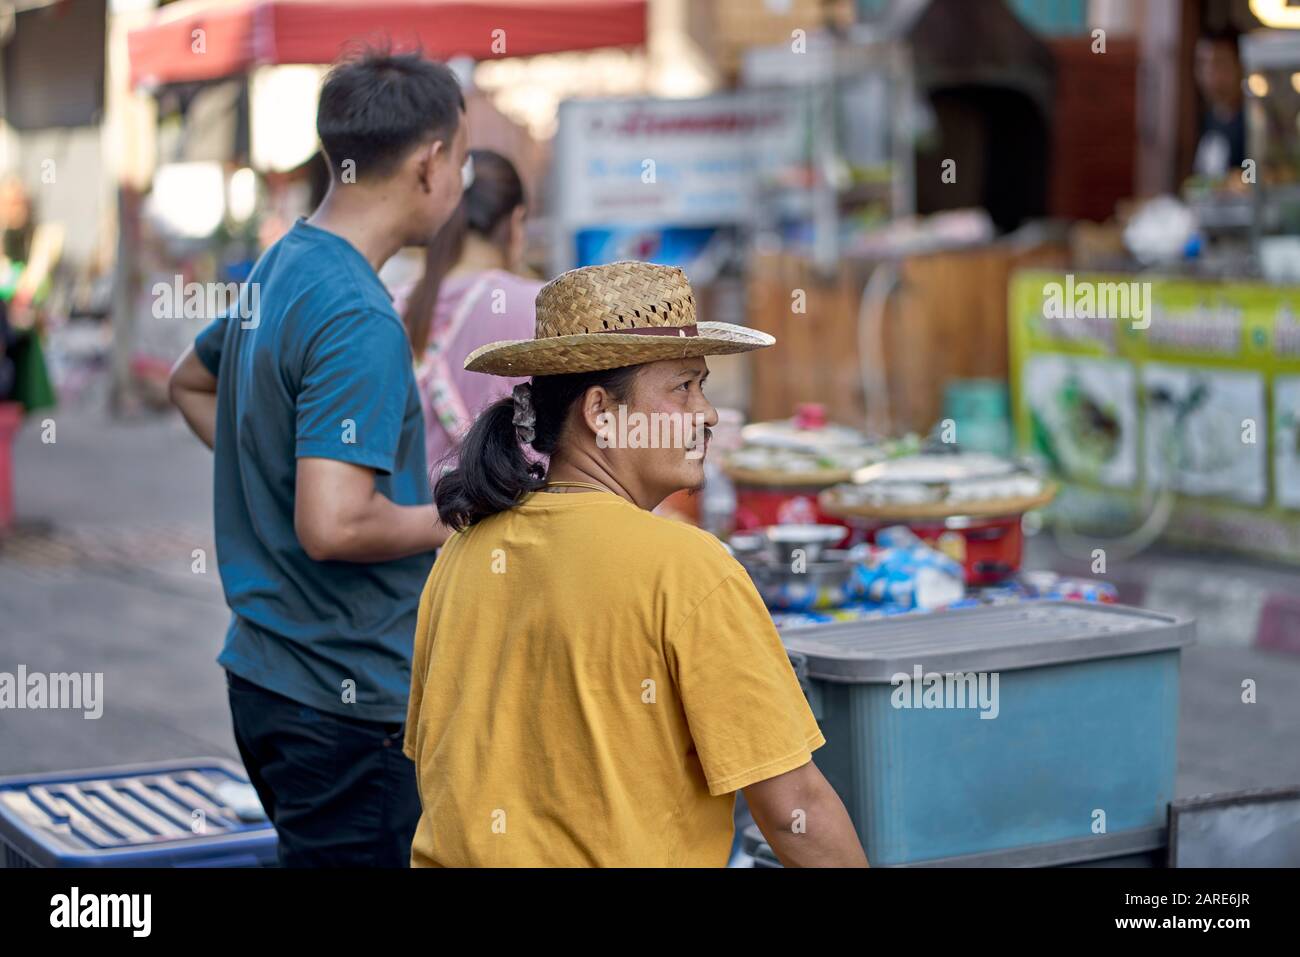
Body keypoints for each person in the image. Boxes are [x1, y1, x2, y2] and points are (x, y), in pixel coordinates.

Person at [404, 260, 868, 867]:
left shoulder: (461, 554)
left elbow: (437, 766)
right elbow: (793, 810)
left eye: (703, 385)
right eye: (683, 387)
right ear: (601, 412)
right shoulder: (686, 568)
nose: (708, 414)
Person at [168, 50, 465, 867]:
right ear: (430, 163)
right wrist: (459, 515)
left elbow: (190, 384)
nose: (462, 182)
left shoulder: (285, 263)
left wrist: (267, 466)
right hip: (345, 698)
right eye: (463, 160)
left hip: (268, 679)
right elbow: (333, 523)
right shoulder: (360, 316)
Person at [397, 149, 542, 471]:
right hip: (511, 516)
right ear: (516, 221)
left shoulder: (390, 306)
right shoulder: (540, 306)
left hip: (411, 519)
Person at [1192, 29, 1246, 181]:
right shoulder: (1208, 119)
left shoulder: (1253, 123)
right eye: (1202, 63)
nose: (1209, 73)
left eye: (1219, 63)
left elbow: (1255, 176)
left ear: (1240, 66)